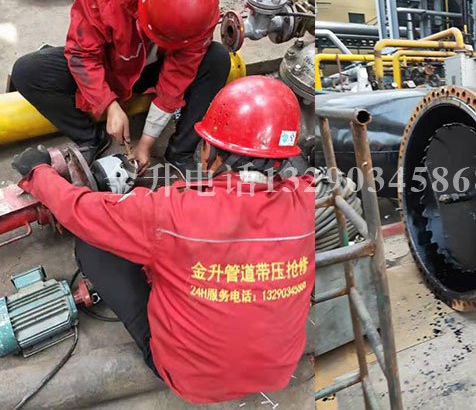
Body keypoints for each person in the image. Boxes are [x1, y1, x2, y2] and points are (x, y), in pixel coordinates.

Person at [11, 76, 315, 403]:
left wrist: (37, 173)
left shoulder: (170, 212)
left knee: (93, 244)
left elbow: (80, 211)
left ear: (211, 151)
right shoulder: (307, 200)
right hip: (277, 371)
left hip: (191, 380)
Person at [10, 0, 231, 172]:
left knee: (217, 59)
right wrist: (109, 105)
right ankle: (91, 139)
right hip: (110, 66)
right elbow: (82, 53)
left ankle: (180, 153)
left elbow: (177, 76)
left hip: (154, 68)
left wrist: (145, 143)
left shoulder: (201, 9)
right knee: (27, 71)